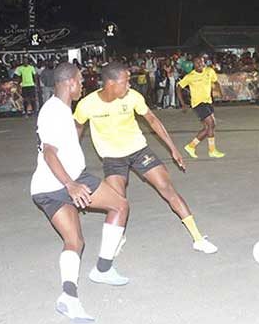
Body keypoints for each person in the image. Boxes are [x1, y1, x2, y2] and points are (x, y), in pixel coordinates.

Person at [74, 62, 218, 255]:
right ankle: (118, 237)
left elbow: (152, 119)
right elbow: (76, 128)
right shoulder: (87, 104)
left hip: (139, 151)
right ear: (110, 83)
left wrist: (173, 148)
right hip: (112, 158)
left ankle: (198, 238)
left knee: (168, 189)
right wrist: (71, 159)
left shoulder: (133, 97)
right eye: (125, 82)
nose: (129, 86)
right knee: (118, 202)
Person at [31, 62, 130, 324]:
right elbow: (50, 152)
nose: (83, 83)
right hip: (67, 181)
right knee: (119, 206)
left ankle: (68, 297)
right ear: (69, 83)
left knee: (75, 241)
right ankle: (104, 269)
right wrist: (70, 185)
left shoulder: (60, 110)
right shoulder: (54, 111)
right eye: (80, 79)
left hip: (44, 188)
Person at [177, 56, 225, 158]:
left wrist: (220, 92)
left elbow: (216, 82)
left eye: (201, 62)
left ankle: (191, 146)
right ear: (193, 65)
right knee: (211, 123)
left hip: (208, 102)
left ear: (204, 62)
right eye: (197, 62)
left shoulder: (209, 71)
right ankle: (212, 151)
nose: (200, 64)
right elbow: (179, 87)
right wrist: (183, 103)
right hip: (198, 104)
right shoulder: (190, 76)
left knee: (208, 127)